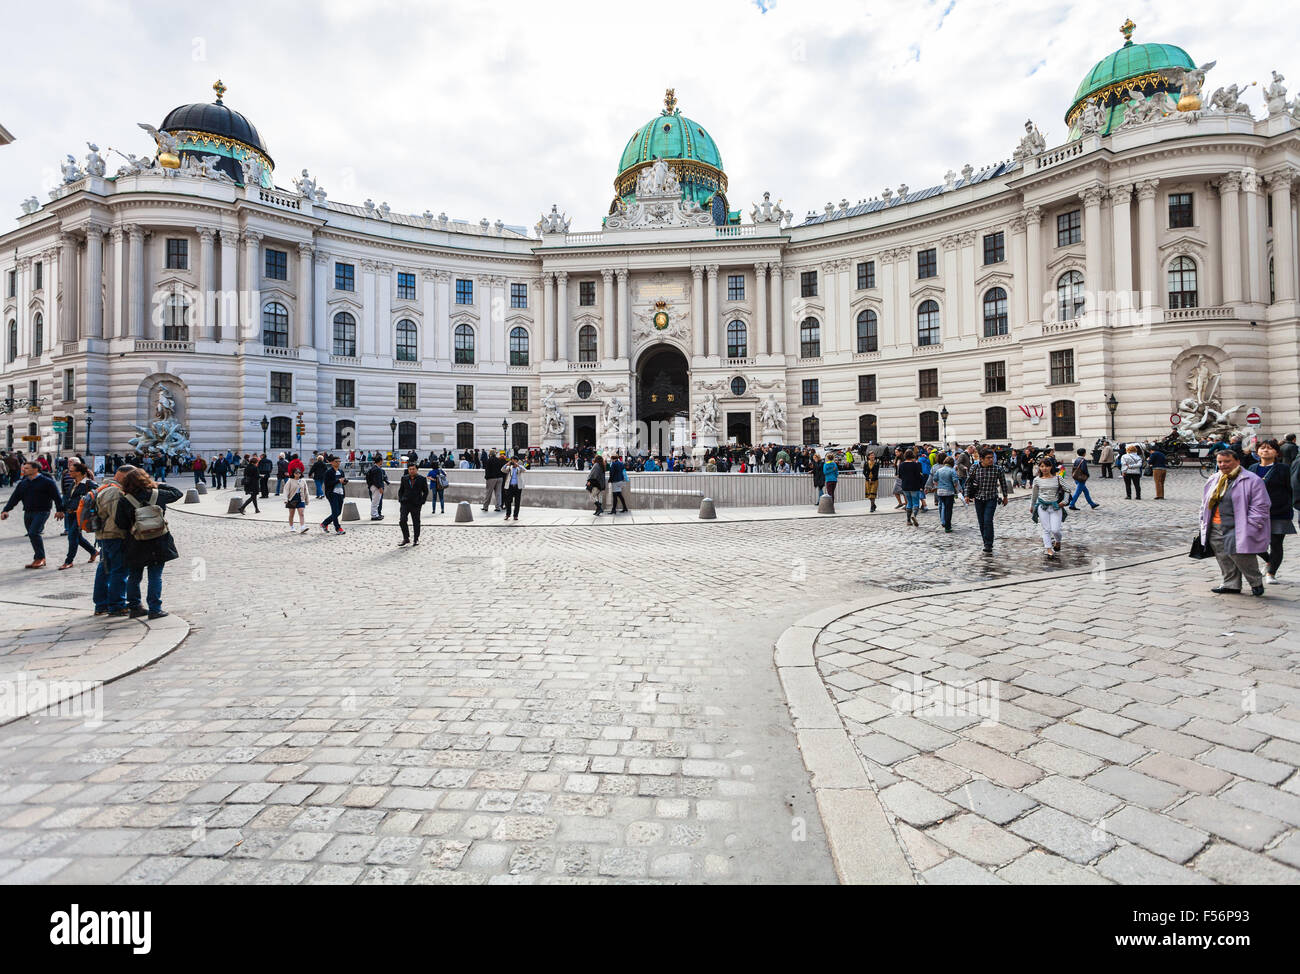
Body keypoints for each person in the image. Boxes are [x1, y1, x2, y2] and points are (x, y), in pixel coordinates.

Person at [114, 466, 183, 619]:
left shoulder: (125, 500)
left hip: (136, 542)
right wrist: (159, 484)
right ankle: (155, 609)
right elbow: (178, 493)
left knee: (134, 576)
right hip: (159, 541)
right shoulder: (157, 494)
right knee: (155, 576)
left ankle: (135, 607)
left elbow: (120, 523)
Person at [1201, 449, 1271, 596]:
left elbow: (1261, 506)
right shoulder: (1215, 478)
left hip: (1239, 525)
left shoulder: (1252, 479)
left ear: (1237, 461)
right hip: (1215, 524)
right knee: (1222, 555)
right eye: (1220, 462)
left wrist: (1253, 525)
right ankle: (1230, 584)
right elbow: (1205, 502)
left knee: (1241, 555)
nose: (1223, 464)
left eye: (1227, 461)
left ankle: (1256, 582)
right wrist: (1203, 519)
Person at [1, 460, 64, 568]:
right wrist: (6, 510)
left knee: (34, 533)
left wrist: (60, 510)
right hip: (28, 512)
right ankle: (38, 557)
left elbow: (57, 497)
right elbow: (15, 498)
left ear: (35, 469)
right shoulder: (23, 483)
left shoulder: (47, 482)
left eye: (26, 468)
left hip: (42, 511)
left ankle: (40, 558)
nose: (23, 470)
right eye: (23, 468)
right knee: (32, 535)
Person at [1249, 440, 1295, 584]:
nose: (1265, 451)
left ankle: (1271, 573)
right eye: (1262, 448)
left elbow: (1290, 489)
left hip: (1279, 512)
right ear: (1257, 452)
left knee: (1276, 543)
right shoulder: (1252, 468)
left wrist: (1287, 505)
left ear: (1276, 452)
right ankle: (1269, 561)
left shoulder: (1284, 469)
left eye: (1269, 448)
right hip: (1256, 513)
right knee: (1253, 542)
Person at [92, 466, 132, 616]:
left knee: (104, 569)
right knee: (119, 570)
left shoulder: (106, 487)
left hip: (105, 535)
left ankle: (101, 604)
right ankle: (116, 605)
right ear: (123, 477)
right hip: (114, 535)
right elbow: (117, 517)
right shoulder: (115, 492)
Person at [964, 449, 1009, 553]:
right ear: (981, 459)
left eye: (992, 457)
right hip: (978, 498)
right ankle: (985, 541)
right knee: (982, 522)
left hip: (991, 498)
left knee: (988, 520)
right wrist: (966, 495)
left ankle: (989, 544)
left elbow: (1003, 483)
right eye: (988, 458)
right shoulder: (975, 468)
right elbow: (968, 482)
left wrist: (1005, 496)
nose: (991, 460)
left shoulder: (997, 469)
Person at [59, 460, 99, 569]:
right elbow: (68, 497)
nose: (69, 473)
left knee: (72, 536)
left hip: (81, 515)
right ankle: (93, 551)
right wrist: (62, 509)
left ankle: (69, 561)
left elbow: (96, 497)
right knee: (77, 537)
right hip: (70, 513)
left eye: (72, 471)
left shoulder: (89, 484)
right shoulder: (73, 483)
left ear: (81, 473)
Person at [1029, 458, 1068, 558]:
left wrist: (1065, 501)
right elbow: (1034, 494)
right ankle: (1049, 549)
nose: (1044, 468)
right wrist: (1032, 506)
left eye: (1046, 466)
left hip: (1056, 507)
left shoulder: (1058, 478)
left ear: (1051, 467)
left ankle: (1058, 541)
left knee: (1055, 530)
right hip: (1042, 506)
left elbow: (1067, 490)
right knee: (1046, 529)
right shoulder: (1037, 480)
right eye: (1042, 466)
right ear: (1039, 468)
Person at [926, 455, 960, 532]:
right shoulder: (952, 470)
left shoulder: (939, 470)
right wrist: (956, 489)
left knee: (942, 507)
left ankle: (943, 521)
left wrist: (938, 485)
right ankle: (948, 527)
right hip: (949, 492)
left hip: (940, 492)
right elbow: (955, 482)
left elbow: (934, 479)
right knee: (948, 509)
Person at [397, 462, 429, 545]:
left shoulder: (422, 479)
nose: (411, 471)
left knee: (416, 522)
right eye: (410, 469)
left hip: (416, 504)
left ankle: (416, 539)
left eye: (413, 469)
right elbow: (401, 490)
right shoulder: (404, 478)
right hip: (405, 503)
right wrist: (400, 499)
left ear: (417, 470)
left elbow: (425, 491)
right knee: (402, 520)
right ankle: (406, 538)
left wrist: (422, 501)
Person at [897, 449, 925, 526]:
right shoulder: (915, 465)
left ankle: (908, 520)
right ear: (912, 456)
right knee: (916, 503)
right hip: (914, 486)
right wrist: (921, 485)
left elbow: (899, 476)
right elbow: (919, 476)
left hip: (905, 486)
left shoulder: (901, 465)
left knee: (909, 502)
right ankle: (914, 515)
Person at [320, 456, 348, 534]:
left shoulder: (341, 471)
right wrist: (338, 480)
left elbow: (342, 482)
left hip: (341, 493)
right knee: (335, 511)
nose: (338, 463)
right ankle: (338, 528)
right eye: (336, 461)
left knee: (338, 512)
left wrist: (344, 482)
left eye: (339, 461)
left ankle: (325, 523)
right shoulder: (328, 472)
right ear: (331, 462)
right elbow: (327, 484)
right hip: (332, 493)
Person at [283, 465, 311, 533]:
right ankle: (292, 526)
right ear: (293, 473)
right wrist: (285, 499)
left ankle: (302, 527)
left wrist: (307, 500)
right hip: (292, 498)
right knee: (291, 514)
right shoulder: (290, 481)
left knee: (301, 513)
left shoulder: (303, 481)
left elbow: (306, 491)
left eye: (299, 473)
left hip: (301, 498)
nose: (298, 474)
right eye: (296, 473)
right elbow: (286, 490)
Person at [502, 456, 525, 521]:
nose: (513, 462)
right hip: (510, 486)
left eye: (514, 460)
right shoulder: (509, 468)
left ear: (517, 461)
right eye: (512, 460)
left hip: (518, 487)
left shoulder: (519, 467)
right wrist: (506, 464)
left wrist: (518, 465)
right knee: (508, 501)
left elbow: (524, 470)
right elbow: (502, 470)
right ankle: (508, 514)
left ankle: (515, 515)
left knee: (517, 502)